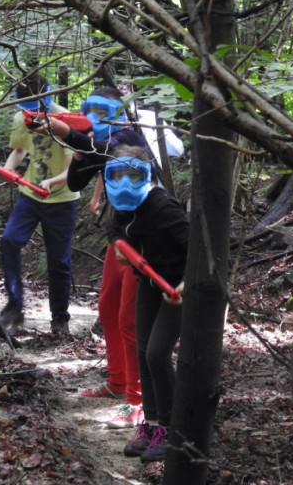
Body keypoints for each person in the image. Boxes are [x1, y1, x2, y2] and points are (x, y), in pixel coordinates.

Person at [34, 87, 153, 429]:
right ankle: (117, 382)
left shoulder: (129, 138)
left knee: (130, 318)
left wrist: (70, 135)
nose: (95, 117)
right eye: (90, 111)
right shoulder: (94, 143)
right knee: (107, 307)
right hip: (119, 236)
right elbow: (75, 182)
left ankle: (138, 400)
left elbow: (110, 151)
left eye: (103, 111)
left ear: (120, 112)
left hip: (145, 240)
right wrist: (76, 146)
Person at [102, 144, 188, 464]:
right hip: (150, 284)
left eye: (133, 175)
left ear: (147, 175)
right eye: (118, 175)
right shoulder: (119, 206)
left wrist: (185, 283)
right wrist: (119, 245)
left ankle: (172, 428)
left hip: (179, 289)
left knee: (157, 354)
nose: (125, 183)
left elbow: (199, 248)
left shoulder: (163, 207)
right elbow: (112, 228)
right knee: (142, 354)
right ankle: (151, 425)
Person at [0, 73, 80, 335]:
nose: (30, 113)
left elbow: (73, 169)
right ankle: (14, 306)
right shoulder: (20, 118)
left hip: (62, 199)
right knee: (10, 241)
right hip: (30, 195)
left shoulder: (63, 119)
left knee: (59, 261)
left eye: (35, 107)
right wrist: (9, 169)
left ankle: (60, 318)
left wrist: (52, 182)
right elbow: (19, 149)